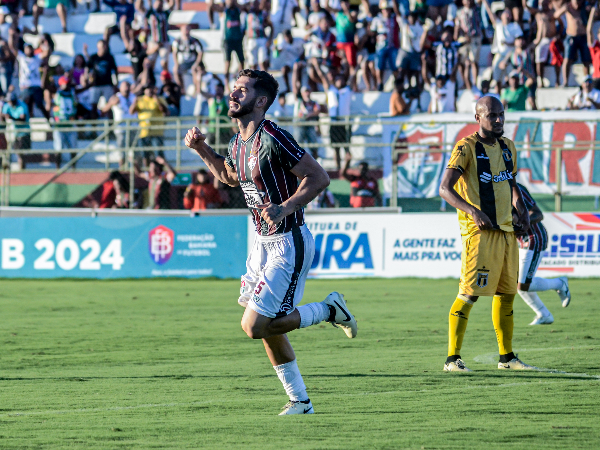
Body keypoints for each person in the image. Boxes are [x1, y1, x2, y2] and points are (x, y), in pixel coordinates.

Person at [184, 69, 357, 415]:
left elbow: (319, 177)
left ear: (260, 101)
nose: (233, 94)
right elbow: (230, 177)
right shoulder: (237, 141)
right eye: (234, 88)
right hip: (261, 245)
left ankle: (329, 310)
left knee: (254, 325)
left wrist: (287, 206)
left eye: (242, 90)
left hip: (288, 242)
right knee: (264, 324)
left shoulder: (273, 136)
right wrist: (202, 149)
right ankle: (300, 401)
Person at [438, 95, 535, 372]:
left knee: (506, 294)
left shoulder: (508, 147)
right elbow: (445, 189)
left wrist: (523, 210)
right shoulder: (466, 147)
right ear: (478, 118)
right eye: (492, 115)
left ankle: (507, 358)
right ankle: (452, 359)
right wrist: (473, 211)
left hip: (506, 231)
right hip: (479, 233)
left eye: (501, 114)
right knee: (470, 293)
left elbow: (511, 181)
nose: (498, 119)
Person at [516, 182, 571, 325]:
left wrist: (518, 225)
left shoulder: (513, 186)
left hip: (534, 237)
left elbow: (537, 213)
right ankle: (544, 314)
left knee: (522, 284)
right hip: (520, 240)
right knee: (517, 283)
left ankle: (559, 283)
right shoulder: (488, 187)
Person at [555, 0, 591, 87]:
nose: (578, 3)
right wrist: (563, 9)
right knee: (567, 59)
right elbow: (556, 15)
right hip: (571, 36)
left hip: (583, 36)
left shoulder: (584, 7)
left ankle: (587, 80)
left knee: (586, 60)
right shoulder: (568, 7)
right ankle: (565, 81)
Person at [130, 85, 168, 165]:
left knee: (159, 155)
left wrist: (157, 100)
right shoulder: (140, 100)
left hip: (157, 132)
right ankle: (148, 172)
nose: (149, 90)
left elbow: (165, 111)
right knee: (145, 155)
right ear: (144, 90)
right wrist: (134, 102)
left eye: (151, 88)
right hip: (144, 132)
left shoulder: (159, 99)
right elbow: (131, 112)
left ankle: (161, 171)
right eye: (147, 89)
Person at [323, 73, 352, 171]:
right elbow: (324, 79)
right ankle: (338, 168)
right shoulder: (331, 90)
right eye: (337, 79)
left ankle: (346, 169)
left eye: (341, 79)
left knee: (346, 148)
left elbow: (352, 77)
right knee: (336, 148)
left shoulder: (347, 90)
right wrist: (317, 66)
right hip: (334, 122)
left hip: (344, 122)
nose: (339, 81)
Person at [86, 40, 118, 120]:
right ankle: (94, 129)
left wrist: (115, 83)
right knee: (93, 106)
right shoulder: (94, 57)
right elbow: (87, 69)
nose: (104, 48)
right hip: (96, 85)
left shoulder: (109, 57)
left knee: (110, 105)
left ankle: (111, 127)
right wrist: (89, 78)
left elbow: (115, 71)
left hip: (107, 84)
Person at [16, 44, 50, 120]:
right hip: (25, 86)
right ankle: (28, 120)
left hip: (36, 85)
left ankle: (48, 119)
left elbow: (46, 53)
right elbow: (13, 47)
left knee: (39, 104)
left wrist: (43, 45)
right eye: (27, 49)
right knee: (25, 104)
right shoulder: (22, 57)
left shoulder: (36, 58)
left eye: (30, 49)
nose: (29, 51)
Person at [52, 75, 77, 167]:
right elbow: (54, 108)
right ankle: (58, 168)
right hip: (60, 125)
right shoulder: (58, 95)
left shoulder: (72, 94)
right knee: (58, 148)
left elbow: (75, 107)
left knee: (73, 148)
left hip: (70, 124)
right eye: (64, 84)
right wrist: (56, 118)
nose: (66, 86)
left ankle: (73, 168)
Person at [2, 92, 30, 169]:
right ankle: (7, 169)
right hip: (12, 133)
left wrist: (11, 118)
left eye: (11, 101)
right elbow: (3, 115)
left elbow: (22, 119)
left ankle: (22, 171)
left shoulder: (22, 105)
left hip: (23, 132)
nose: (10, 103)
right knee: (8, 151)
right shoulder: (7, 105)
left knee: (20, 153)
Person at [172, 24, 204, 89]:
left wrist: (196, 64)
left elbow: (200, 53)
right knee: (175, 70)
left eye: (187, 29)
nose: (186, 32)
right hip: (183, 62)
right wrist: (176, 64)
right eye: (184, 30)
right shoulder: (177, 41)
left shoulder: (194, 41)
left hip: (193, 61)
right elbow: (174, 53)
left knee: (196, 70)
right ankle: (181, 89)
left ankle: (197, 90)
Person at [206, 82, 235, 154]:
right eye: (216, 90)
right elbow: (201, 92)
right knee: (211, 152)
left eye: (219, 90)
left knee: (224, 152)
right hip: (212, 130)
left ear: (223, 90)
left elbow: (232, 95)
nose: (217, 92)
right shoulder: (212, 100)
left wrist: (226, 79)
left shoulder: (226, 100)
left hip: (223, 131)